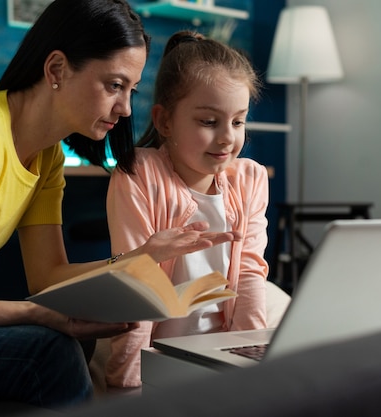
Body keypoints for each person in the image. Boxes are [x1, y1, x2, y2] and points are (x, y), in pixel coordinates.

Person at [0, 2, 240, 410]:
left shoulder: (45, 155)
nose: (126, 108)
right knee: (47, 354)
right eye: (114, 86)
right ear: (56, 70)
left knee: (74, 335)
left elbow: (47, 278)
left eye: (131, 90)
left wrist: (139, 258)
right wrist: (36, 314)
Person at [105, 30, 291, 390]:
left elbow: (250, 275)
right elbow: (134, 279)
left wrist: (247, 368)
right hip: (160, 352)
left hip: (219, 351)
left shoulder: (250, 178)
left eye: (238, 122)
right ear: (165, 121)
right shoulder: (138, 173)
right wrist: (127, 385)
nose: (227, 138)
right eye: (209, 122)